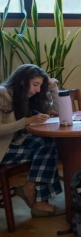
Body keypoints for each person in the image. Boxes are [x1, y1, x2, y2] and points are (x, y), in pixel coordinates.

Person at [0, 64, 64, 217]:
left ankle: (31, 189)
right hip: (2, 148)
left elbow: (57, 111)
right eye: (35, 84)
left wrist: (52, 87)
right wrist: (27, 121)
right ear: (22, 81)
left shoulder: (28, 97)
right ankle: (38, 200)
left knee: (47, 143)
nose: (37, 89)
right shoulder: (3, 95)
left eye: (40, 85)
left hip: (14, 143)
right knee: (46, 147)